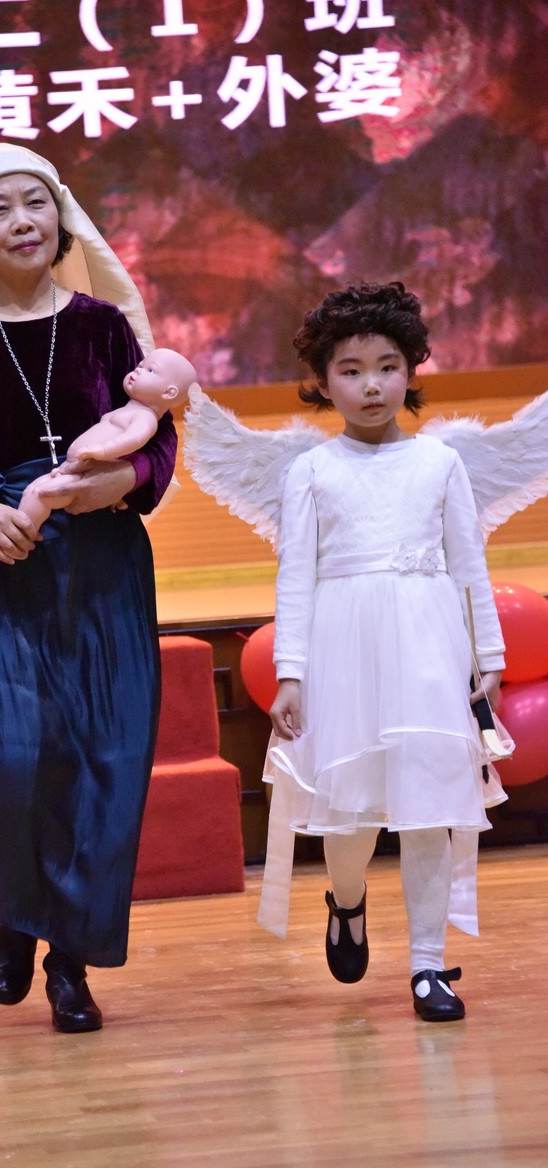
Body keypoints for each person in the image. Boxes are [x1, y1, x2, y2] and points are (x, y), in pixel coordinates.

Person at [0, 144, 178, 1033]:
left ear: (62, 217)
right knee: (16, 756)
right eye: (0, 208)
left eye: (36, 202)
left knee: (103, 763)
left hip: (103, 570)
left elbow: (158, 438)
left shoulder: (105, 327)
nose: (23, 221)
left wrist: (117, 483)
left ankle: (69, 964)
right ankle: (17, 914)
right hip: (3, 571)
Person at [263, 281, 509, 1021]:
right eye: (351, 370)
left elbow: (469, 566)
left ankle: (428, 965)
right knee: (350, 812)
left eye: (387, 366)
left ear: (410, 371)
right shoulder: (311, 470)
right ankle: (347, 899)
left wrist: (489, 656)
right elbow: (295, 579)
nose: (371, 385)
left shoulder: (439, 462)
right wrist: (290, 673)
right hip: (343, 648)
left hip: (428, 647)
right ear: (322, 381)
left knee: (431, 806)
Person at [18, 347, 197, 535]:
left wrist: (103, 450)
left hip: (87, 476)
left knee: (41, 495)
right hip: (71, 468)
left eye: (150, 370)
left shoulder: (146, 418)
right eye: (140, 365)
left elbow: (134, 439)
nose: (138, 370)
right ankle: (23, 534)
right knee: (32, 490)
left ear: (169, 393)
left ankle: (23, 539)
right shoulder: (127, 409)